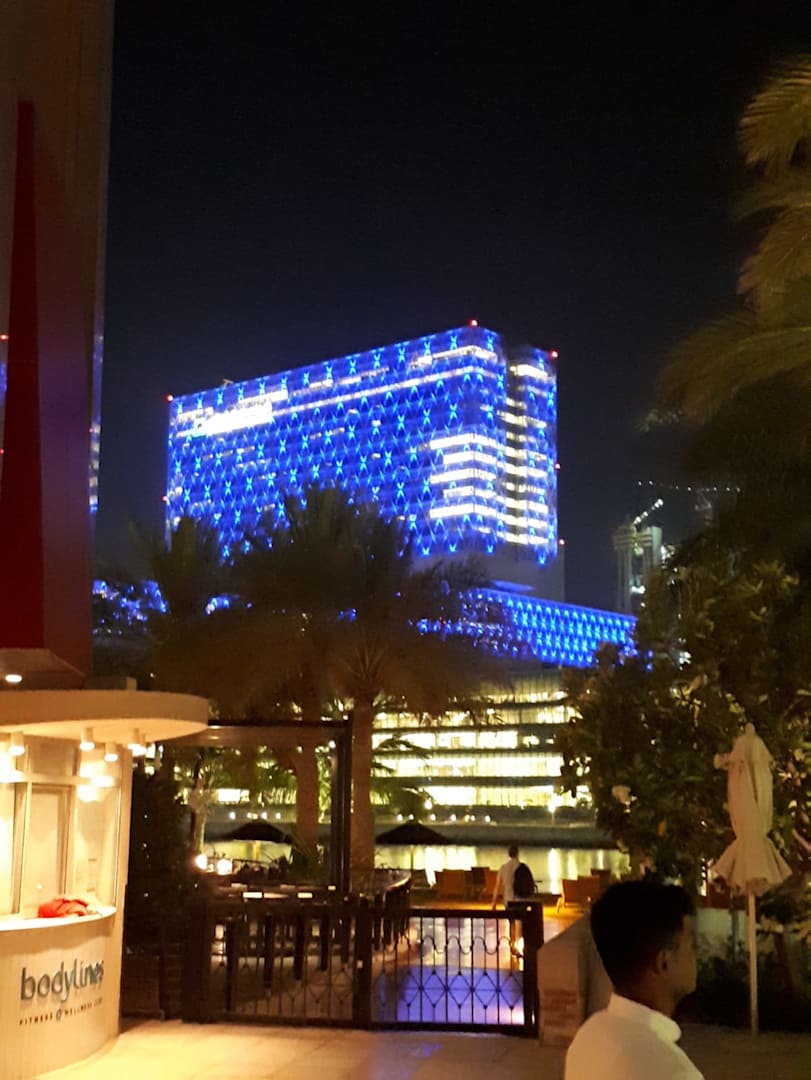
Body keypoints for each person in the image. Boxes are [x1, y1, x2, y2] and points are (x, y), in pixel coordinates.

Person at [565, 880, 702, 1080]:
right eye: (693, 945)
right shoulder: (674, 1072)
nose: (697, 955)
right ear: (663, 962)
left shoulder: (588, 1036)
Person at [491, 843, 520, 909]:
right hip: (521, 901)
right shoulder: (522, 867)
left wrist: (494, 902)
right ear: (517, 854)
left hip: (508, 900)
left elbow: (497, 886)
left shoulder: (503, 868)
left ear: (509, 854)